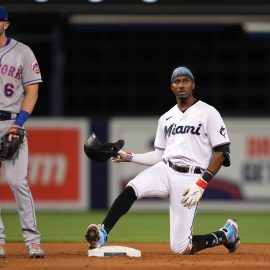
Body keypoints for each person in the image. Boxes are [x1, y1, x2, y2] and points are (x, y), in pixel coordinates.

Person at [85, 66, 240, 255]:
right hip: (165, 169)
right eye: (177, 81)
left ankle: (227, 233)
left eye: (185, 80)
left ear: (193, 85)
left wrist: (201, 183)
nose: (181, 85)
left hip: (191, 179)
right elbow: (159, 155)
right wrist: (128, 156)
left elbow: (221, 152)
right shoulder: (166, 118)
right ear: (172, 87)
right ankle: (102, 233)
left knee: (181, 248)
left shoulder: (208, 112)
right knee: (133, 188)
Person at [0, 5, 45, 258]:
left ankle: (32, 240)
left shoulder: (22, 52)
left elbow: (32, 91)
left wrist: (20, 123)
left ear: (5, 24)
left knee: (18, 182)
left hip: (12, 123)